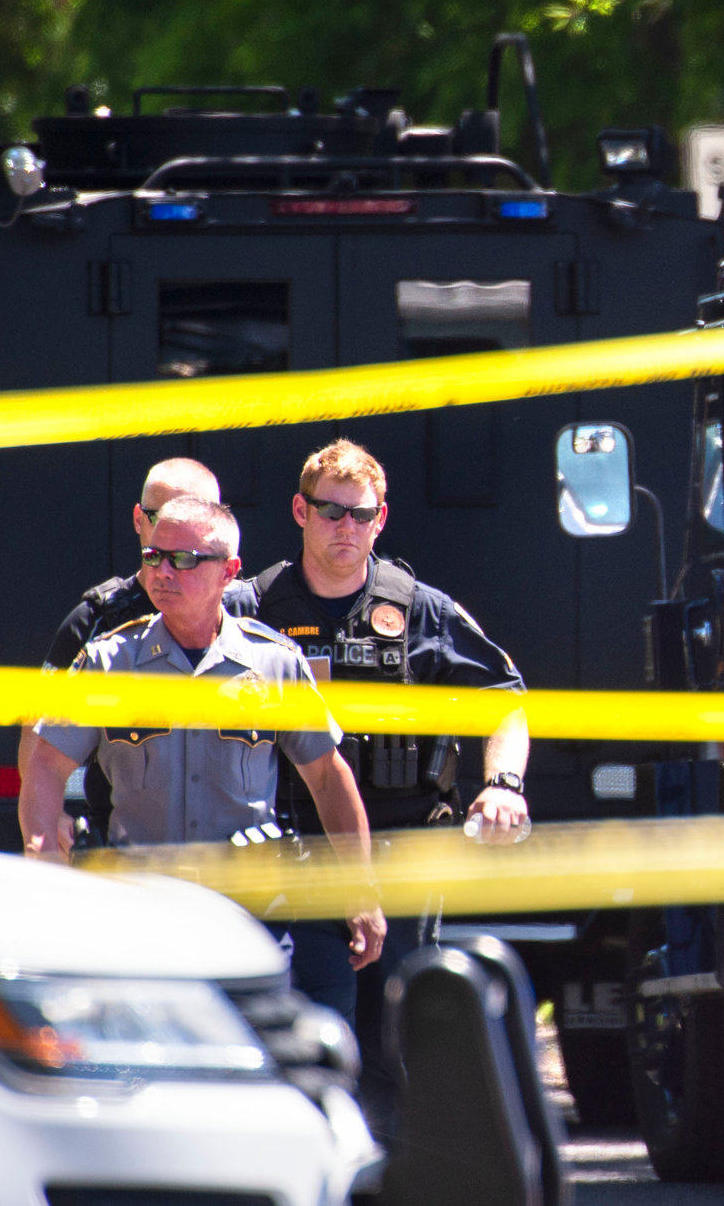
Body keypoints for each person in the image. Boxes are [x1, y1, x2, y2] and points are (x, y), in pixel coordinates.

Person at [226, 439, 529, 1100]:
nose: (346, 527)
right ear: (300, 512)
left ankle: (392, 1158)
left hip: (401, 856)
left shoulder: (421, 610)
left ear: (381, 519)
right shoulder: (249, 609)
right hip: (293, 855)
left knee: (399, 1046)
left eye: (361, 515)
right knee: (305, 1038)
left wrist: (503, 785)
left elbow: (505, 701)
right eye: (331, 511)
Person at [16, 497, 383, 971]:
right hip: (139, 916)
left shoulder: (273, 663)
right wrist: (43, 857)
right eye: (154, 557)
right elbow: (46, 766)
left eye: (184, 560)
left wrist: (361, 887)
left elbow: (328, 778)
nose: (162, 572)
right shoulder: (109, 662)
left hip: (248, 919)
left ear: (229, 572)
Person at [26, 458, 234, 840]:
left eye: (194, 514)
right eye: (163, 516)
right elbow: (39, 737)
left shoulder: (244, 616)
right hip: (124, 844)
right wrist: (53, 823)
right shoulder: (96, 621)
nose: (177, 529)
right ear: (139, 519)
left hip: (232, 850)